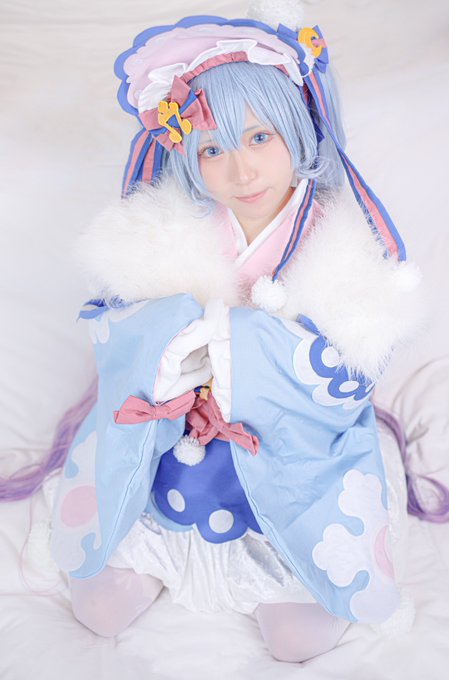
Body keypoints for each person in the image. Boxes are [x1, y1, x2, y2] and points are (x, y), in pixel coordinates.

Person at [4, 1, 423, 663]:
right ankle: (161, 541)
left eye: (259, 138)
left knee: (296, 641)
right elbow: (124, 341)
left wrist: (238, 345)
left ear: (299, 128)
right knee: (101, 610)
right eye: (212, 149)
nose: (240, 171)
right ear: (187, 156)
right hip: (180, 448)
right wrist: (174, 346)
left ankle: (285, 558)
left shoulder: (343, 247)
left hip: (291, 453)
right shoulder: (167, 236)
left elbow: (344, 371)